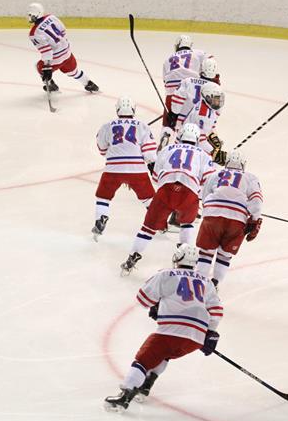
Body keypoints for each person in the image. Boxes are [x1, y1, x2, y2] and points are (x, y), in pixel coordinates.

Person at [105, 244, 223, 411]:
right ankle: (146, 386)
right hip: (195, 337)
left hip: (171, 332)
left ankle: (124, 397)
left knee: (144, 359)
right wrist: (210, 332)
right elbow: (216, 311)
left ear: (178, 258)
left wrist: (157, 305)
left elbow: (143, 299)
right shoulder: (206, 282)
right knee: (164, 354)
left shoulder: (166, 274)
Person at [120, 123, 215, 276]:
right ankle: (186, 258)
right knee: (187, 224)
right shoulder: (203, 154)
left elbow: (156, 176)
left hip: (166, 190)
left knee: (148, 229)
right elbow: (208, 180)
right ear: (196, 139)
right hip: (189, 192)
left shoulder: (167, 149)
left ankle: (132, 257)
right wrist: (200, 196)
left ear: (180, 136)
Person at [92, 97, 157, 241]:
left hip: (113, 168)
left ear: (117, 110)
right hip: (137, 170)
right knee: (148, 199)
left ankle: (100, 217)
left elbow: (102, 149)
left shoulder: (107, 126)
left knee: (103, 197)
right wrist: (150, 163)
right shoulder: (142, 126)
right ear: (133, 109)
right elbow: (150, 153)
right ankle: (160, 223)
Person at [196, 150, 262, 288]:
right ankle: (214, 284)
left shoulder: (215, 174)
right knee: (225, 255)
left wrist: (210, 209)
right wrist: (254, 218)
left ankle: (199, 284)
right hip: (236, 219)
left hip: (212, 215)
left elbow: (204, 195)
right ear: (243, 164)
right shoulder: (250, 177)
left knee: (206, 253)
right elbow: (256, 200)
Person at [27, 2, 99, 94]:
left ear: (34, 15)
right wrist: (62, 44)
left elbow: (46, 52)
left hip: (56, 58)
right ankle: (89, 83)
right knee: (73, 72)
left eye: (30, 14)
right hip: (67, 52)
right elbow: (63, 30)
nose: (28, 17)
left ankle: (50, 84)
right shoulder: (51, 17)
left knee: (38, 66)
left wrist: (47, 67)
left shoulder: (34, 33)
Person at [161, 35, 218, 135]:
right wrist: (214, 78)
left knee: (168, 122)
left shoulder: (168, 59)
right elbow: (211, 61)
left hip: (172, 92)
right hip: (191, 87)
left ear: (178, 45)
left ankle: (165, 134)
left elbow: (165, 81)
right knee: (196, 114)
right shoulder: (197, 53)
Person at [173, 79, 226, 164]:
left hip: (189, 144)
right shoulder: (202, 114)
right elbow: (200, 142)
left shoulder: (208, 106)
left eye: (219, 99)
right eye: (215, 99)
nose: (218, 102)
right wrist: (215, 153)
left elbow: (210, 127)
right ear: (207, 97)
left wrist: (213, 137)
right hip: (185, 148)